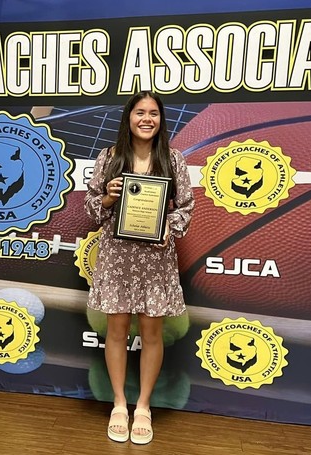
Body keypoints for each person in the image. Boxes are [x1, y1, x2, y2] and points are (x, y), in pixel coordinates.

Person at [83, 91, 195, 445]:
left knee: (151, 335)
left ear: (161, 119)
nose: (147, 119)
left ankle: (143, 406)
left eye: (154, 113)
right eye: (140, 112)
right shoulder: (109, 157)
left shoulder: (173, 159)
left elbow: (186, 207)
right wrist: (108, 196)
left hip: (155, 260)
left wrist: (168, 228)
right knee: (115, 332)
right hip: (117, 258)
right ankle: (119, 404)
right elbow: (91, 208)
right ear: (128, 118)